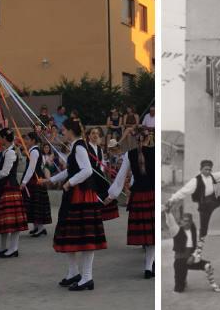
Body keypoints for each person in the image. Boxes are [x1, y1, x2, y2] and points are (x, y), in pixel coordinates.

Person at [43, 119, 107, 291]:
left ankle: (87, 277)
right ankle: (73, 273)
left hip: (81, 195)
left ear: (71, 130)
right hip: (76, 194)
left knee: (84, 236)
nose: (62, 131)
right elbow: (71, 169)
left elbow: (87, 170)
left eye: (63, 129)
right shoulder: (76, 146)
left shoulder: (79, 147)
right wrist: (51, 180)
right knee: (69, 234)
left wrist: (69, 183)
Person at [166, 158, 220, 262]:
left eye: (209, 170)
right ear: (201, 169)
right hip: (204, 207)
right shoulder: (195, 181)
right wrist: (172, 199)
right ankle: (197, 253)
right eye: (205, 169)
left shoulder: (212, 176)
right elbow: (183, 191)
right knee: (203, 230)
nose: (207, 172)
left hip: (213, 202)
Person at [106, 126, 155, 279]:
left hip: (139, 196)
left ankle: (149, 266)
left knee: (146, 234)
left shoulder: (129, 154)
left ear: (134, 138)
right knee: (153, 234)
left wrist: (111, 195)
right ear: (149, 137)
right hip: (152, 195)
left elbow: (120, 178)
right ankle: (148, 267)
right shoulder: (155, 152)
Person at [165, 206, 220, 293]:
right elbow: (170, 222)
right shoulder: (175, 230)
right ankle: (183, 280)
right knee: (179, 290)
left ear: (191, 222)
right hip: (180, 261)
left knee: (207, 266)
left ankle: (213, 284)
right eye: (184, 220)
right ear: (181, 221)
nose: (185, 223)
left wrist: (193, 256)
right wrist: (168, 213)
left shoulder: (194, 231)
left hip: (192, 259)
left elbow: (199, 246)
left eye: (188, 221)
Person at [0, 128, 28, 258]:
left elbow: (5, 172)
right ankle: (3, 247)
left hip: (9, 188)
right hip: (5, 188)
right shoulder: (7, 151)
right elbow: (1, 166)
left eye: (0, 137)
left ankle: (13, 248)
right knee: (4, 220)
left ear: (5, 138)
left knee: (12, 221)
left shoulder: (11, 152)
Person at [21, 132, 52, 237]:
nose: (25, 141)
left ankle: (40, 228)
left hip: (35, 181)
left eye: (27, 139)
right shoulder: (34, 151)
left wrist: (24, 182)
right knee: (33, 203)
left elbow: (31, 168)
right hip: (35, 180)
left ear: (33, 140)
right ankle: (36, 227)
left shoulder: (34, 152)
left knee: (36, 203)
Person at [86, 127, 119, 220]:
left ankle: (100, 214)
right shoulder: (86, 148)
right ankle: (92, 214)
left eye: (97, 133)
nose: (95, 135)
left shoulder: (99, 148)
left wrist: (103, 171)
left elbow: (102, 162)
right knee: (93, 194)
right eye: (93, 133)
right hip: (89, 174)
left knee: (106, 190)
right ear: (89, 136)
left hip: (98, 173)